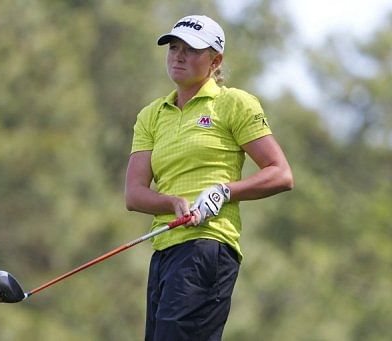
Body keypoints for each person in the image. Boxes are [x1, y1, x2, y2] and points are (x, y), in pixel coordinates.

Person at [124, 14, 294, 340]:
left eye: (191, 49)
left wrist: (224, 192)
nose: (179, 55)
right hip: (163, 252)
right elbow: (134, 194)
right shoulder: (151, 115)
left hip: (207, 247)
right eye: (174, 47)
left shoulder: (233, 104)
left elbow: (281, 173)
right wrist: (172, 202)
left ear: (216, 60)